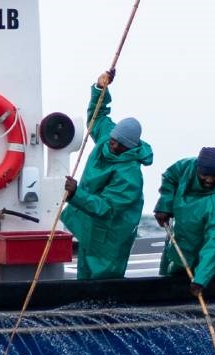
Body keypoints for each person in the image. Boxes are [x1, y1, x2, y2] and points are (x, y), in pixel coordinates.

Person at [61, 70, 153, 279]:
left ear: (128, 147)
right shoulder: (107, 136)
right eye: (112, 140)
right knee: (84, 272)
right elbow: (98, 115)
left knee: (104, 277)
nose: (112, 145)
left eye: (118, 145)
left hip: (112, 232)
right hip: (91, 224)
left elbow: (106, 208)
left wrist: (75, 194)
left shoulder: (130, 175)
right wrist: (100, 88)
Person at [155, 147, 215, 297]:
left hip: (197, 252)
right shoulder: (186, 167)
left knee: (186, 284)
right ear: (197, 169)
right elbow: (170, 178)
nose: (209, 180)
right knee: (164, 278)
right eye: (204, 175)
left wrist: (201, 279)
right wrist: (164, 205)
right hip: (176, 238)